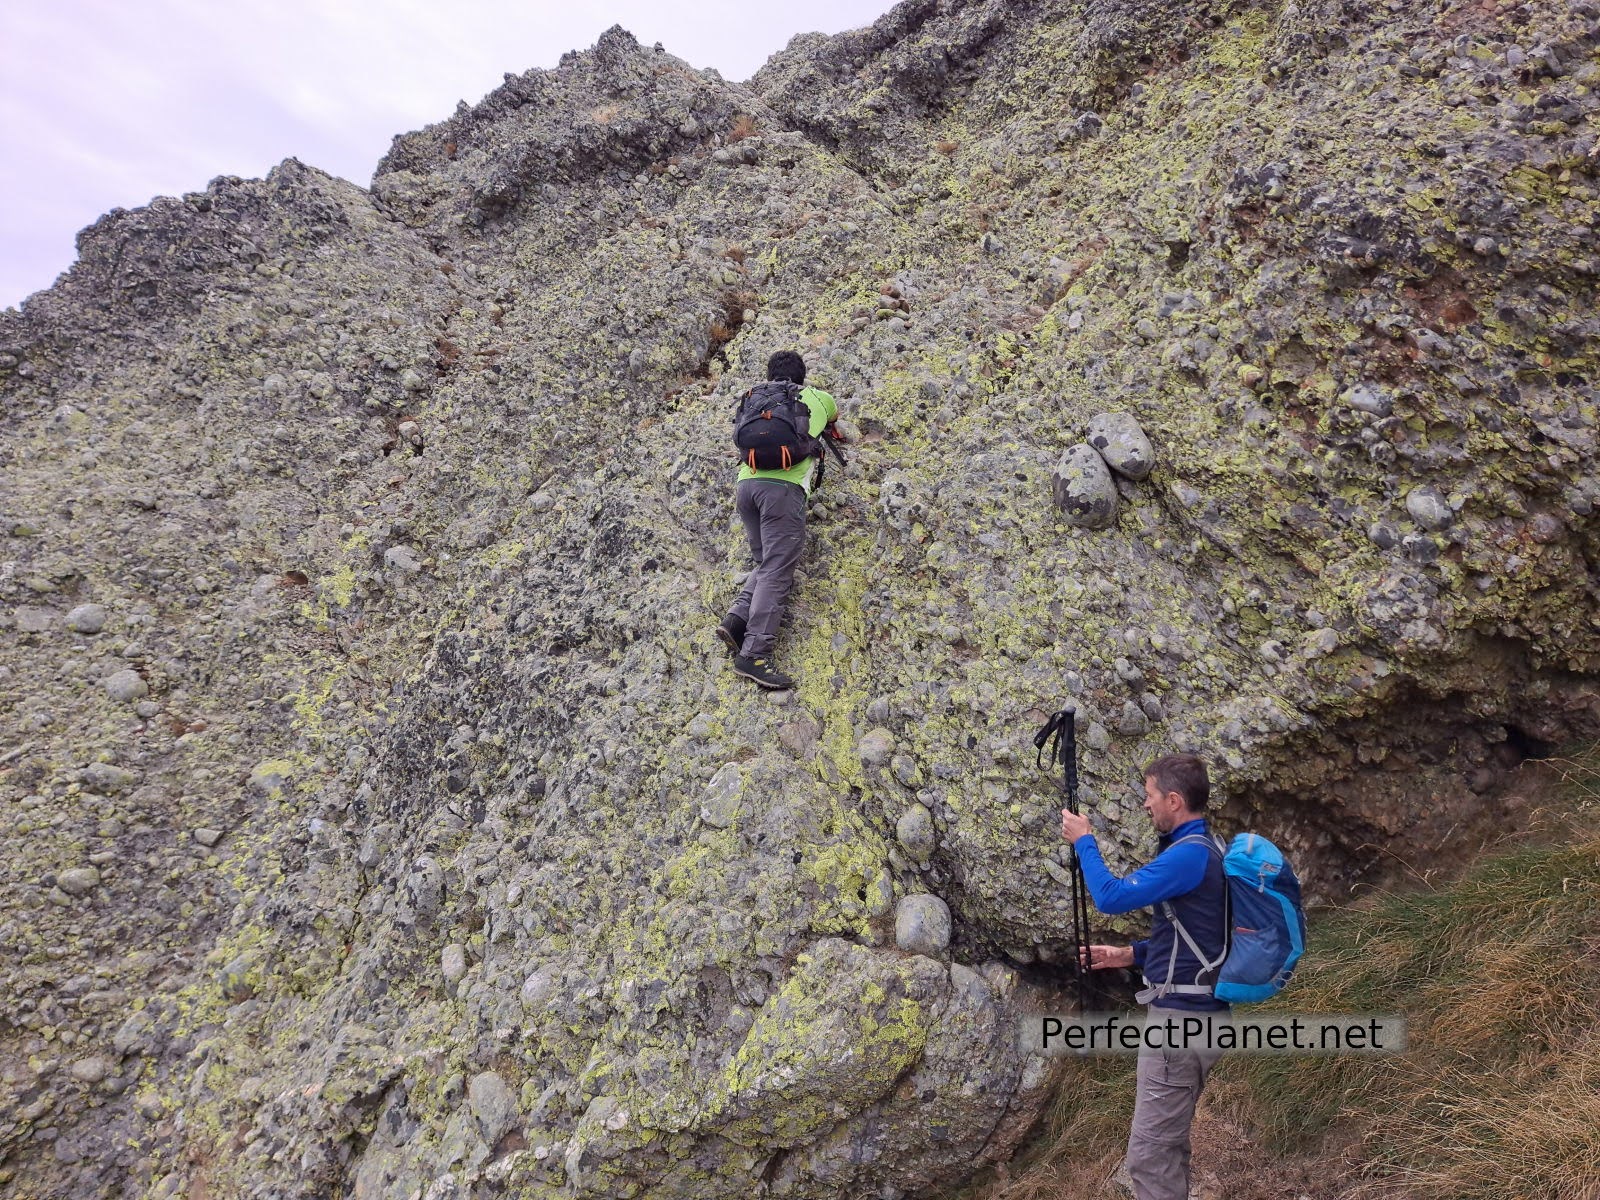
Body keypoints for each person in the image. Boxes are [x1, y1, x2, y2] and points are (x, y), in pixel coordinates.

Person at [1059, 754, 1228, 1200]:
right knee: (1168, 1147)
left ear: (1174, 800)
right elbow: (1202, 939)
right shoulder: (1212, 848)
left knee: (1149, 1156)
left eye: (1150, 796)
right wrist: (1129, 954)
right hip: (1201, 1016)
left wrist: (1085, 841)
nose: (1146, 805)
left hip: (1179, 1025)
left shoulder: (1187, 857)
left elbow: (1111, 897)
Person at [716, 350, 838, 690]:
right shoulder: (815, 397)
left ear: (769, 375)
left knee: (765, 561)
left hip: (746, 486)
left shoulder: (755, 398)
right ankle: (754, 655)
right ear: (801, 375)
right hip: (782, 492)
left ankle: (737, 619)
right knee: (777, 570)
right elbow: (833, 418)